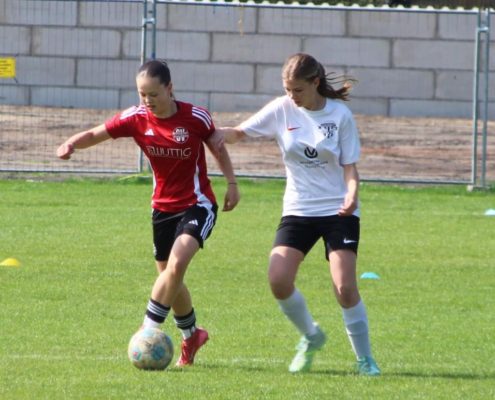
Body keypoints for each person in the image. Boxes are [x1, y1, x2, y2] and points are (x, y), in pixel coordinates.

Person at [57, 59, 240, 367]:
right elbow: (97, 133)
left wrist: (232, 184)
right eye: (142, 94)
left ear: (170, 88)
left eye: (153, 94)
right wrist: (71, 143)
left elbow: (217, 147)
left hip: (197, 204)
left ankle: (148, 329)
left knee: (177, 264)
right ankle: (192, 335)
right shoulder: (136, 118)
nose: (147, 100)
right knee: (169, 277)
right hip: (162, 208)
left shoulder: (195, 117)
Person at [215, 53, 380, 375]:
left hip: (338, 210)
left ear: (315, 82)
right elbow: (239, 133)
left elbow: (350, 167)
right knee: (278, 279)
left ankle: (365, 360)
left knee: (345, 288)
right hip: (299, 209)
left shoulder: (340, 115)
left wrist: (352, 194)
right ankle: (311, 336)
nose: (292, 96)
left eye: (298, 90)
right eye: (287, 89)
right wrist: (212, 130)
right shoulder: (282, 108)